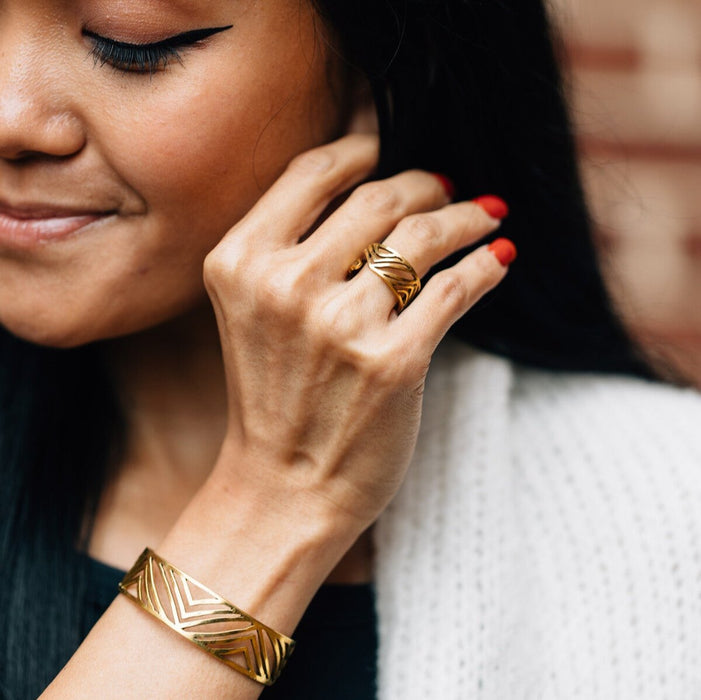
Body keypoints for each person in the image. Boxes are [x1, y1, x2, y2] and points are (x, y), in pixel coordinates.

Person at [2, 0, 701, 698]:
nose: (11, 116)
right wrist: (274, 501)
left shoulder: (664, 503)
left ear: (374, 75)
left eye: (130, 44)